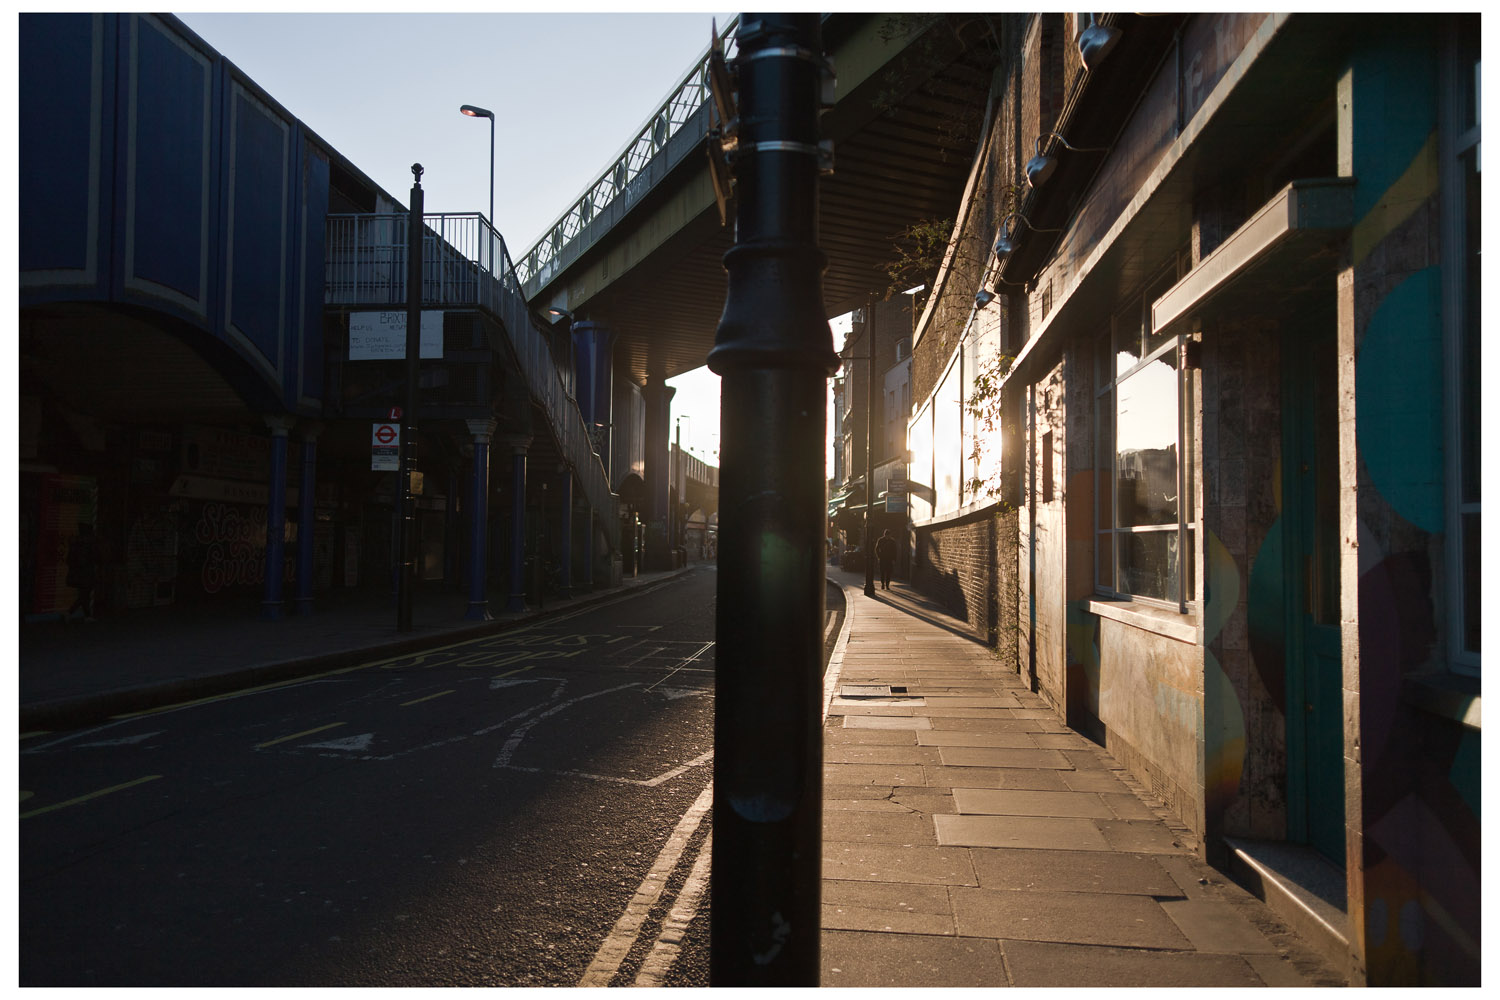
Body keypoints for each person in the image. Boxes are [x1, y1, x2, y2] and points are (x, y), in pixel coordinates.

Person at [66, 522, 99, 621]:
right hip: (86, 573)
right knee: (85, 594)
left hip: (78, 573)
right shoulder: (88, 543)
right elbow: (92, 557)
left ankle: (87, 615)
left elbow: (70, 559)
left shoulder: (76, 543)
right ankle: (70, 613)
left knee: (84, 594)